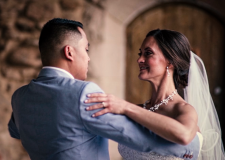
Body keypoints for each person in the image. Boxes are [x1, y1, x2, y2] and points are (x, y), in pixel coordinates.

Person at [8, 19, 200, 160]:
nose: (89, 58)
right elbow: (147, 141)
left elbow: (16, 131)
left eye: (147, 54)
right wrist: (194, 143)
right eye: (86, 50)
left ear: (171, 62)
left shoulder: (20, 97)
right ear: (69, 52)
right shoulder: (83, 94)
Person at [85, 29, 225, 160]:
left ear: (170, 61)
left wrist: (126, 107)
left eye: (148, 53)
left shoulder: (183, 110)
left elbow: (184, 135)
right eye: (140, 53)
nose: (139, 60)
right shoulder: (136, 109)